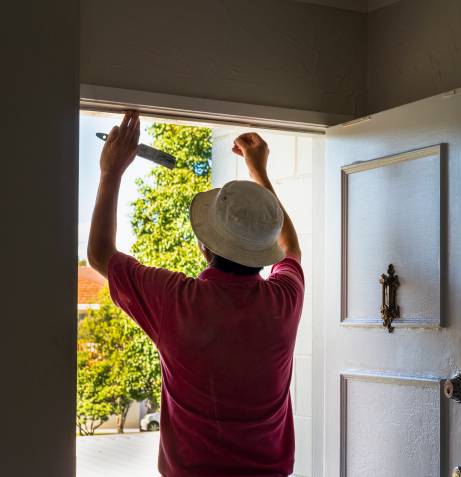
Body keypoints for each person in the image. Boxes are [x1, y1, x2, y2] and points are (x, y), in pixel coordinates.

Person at [88, 110, 304, 477]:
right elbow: (291, 249)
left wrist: (111, 171)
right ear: (263, 252)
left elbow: (99, 255)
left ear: (204, 247)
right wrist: (260, 174)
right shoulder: (284, 299)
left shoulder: (175, 300)